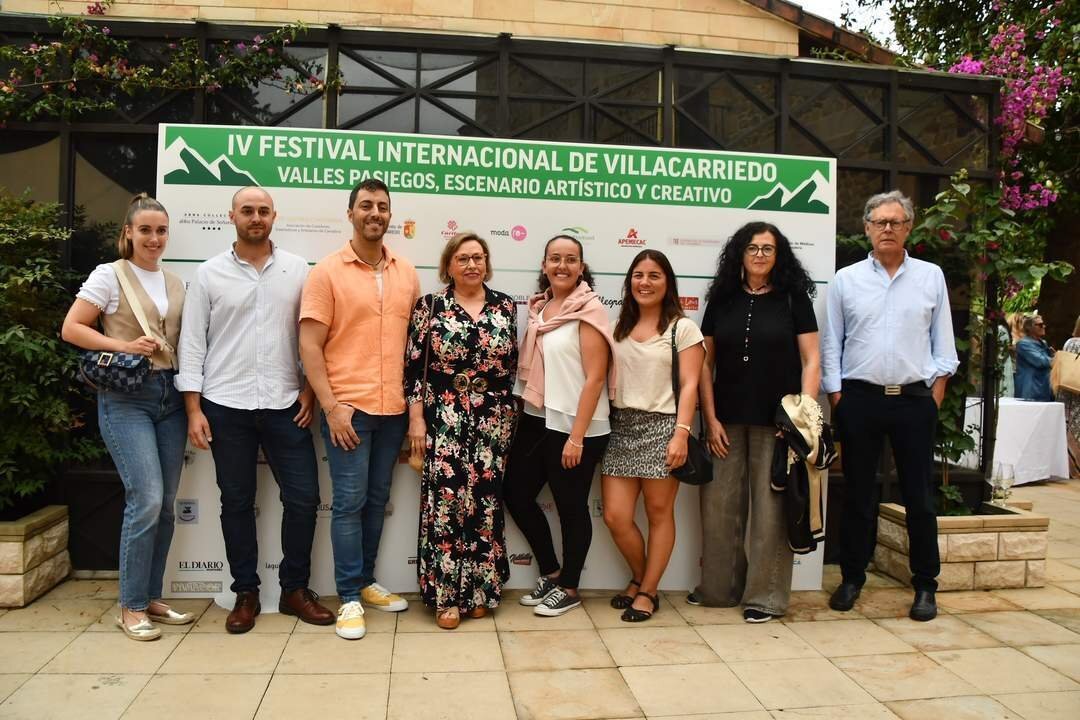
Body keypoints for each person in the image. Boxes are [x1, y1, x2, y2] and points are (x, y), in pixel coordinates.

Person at [176, 187, 334, 634]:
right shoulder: (208, 274)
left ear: (274, 216)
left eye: (263, 210)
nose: (256, 217)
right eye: (248, 210)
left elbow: (315, 337)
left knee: (304, 499)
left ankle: (294, 590)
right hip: (226, 406)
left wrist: (309, 391)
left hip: (287, 404)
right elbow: (192, 344)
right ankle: (246, 592)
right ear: (232, 217)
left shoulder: (298, 270)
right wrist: (193, 408)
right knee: (237, 502)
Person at [822, 190, 958, 623]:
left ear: (908, 228)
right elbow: (832, 343)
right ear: (866, 228)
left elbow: (944, 344)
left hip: (914, 401)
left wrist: (935, 392)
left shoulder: (930, 276)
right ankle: (851, 578)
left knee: (919, 497)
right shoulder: (846, 280)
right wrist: (838, 395)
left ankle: (925, 586)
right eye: (879, 222)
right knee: (859, 494)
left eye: (895, 222)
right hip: (859, 400)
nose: (887, 229)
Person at [61, 194, 193, 640]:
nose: (154, 239)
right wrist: (123, 346)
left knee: (168, 506)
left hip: (169, 397)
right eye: (145, 230)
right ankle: (130, 606)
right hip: (125, 398)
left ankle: (151, 596)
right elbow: (72, 327)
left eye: (160, 231)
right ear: (128, 233)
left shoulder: (176, 282)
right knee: (147, 498)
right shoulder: (109, 275)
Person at [299, 179, 419, 640]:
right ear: (350, 213)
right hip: (348, 409)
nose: (375, 212)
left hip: (393, 409)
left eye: (382, 206)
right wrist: (330, 407)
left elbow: (414, 347)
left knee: (375, 500)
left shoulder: (406, 272)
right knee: (347, 503)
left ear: (390, 216)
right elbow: (309, 345)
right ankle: (348, 596)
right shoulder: (327, 272)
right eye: (366, 205)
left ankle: (367, 582)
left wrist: (412, 411)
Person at [689, 221, 820, 623]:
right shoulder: (723, 299)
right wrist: (709, 418)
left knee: (770, 511)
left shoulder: (794, 298)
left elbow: (812, 360)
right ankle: (720, 589)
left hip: (777, 424)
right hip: (724, 421)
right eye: (752, 248)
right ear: (739, 254)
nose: (760, 255)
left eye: (768, 248)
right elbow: (705, 364)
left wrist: (802, 417)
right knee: (719, 509)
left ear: (779, 255)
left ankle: (765, 597)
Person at [404, 232, 518, 630]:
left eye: (478, 257)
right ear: (448, 265)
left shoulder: (505, 306)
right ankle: (445, 596)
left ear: (487, 263)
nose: (472, 264)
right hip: (443, 418)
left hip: (492, 420)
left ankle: (480, 591)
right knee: (447, 504)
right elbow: (415, 369)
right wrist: (416, 419)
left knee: (484, 504)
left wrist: (506, 417)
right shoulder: (430, 307)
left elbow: (511, 368)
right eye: (463, 258)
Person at [504, 234, 616, 617]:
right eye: (555, 258)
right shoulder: (540, 309)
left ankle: (569, 587)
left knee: (571, 507)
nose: (562, 266)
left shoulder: (589, 311)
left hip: (576, 425)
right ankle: (551, 572)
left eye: (571, 260)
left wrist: (577, 437)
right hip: (538, 418)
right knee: (516, 493)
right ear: (544, 265)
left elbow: (596, 378)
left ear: (581, 267)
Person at [601, 250, 703, 622]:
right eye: (639, 275)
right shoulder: (616, 328)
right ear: (629, 282)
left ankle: (645, 591)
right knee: (615, 516)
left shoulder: (682, 328)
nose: (645, 282)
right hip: (622, 426)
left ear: (668, 283)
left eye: (654, 275)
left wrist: (681, 433)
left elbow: (690, 385)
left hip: (664, 426)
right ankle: (643, 577)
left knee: (659, 514)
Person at [1057, 315, 1080, 477]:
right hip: (1075, 395)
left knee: (1070, 428)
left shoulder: (1069, 343)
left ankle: (1072, 468)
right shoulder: (1074, 344)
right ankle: (1074, 469)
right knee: (1074, 429)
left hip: (1068, 393)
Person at [1014, 313, 1054, 401]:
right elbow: (1040, 361)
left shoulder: (1043, 343)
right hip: (1031, 390)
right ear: (1029, 327)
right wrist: (1058, 360)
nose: (1043, 326)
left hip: (1044, 388)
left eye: (1043, 324)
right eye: (1040, 325)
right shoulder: (1023, 344)